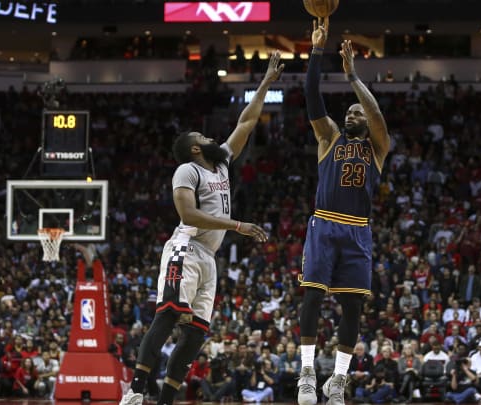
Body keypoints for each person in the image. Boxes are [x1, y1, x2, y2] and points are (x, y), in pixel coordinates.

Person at [119, 52, 284, 405]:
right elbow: (190, 216)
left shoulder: (222, 163)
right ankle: (134, 393)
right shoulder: (187, 170)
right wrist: (237, 224)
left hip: (209, 256)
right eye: (202, 135)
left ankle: (164, 400)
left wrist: (266, 82)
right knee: (167, 318)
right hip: (186, 247)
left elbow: (247, 122)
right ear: (195, 147)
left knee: (195, 336)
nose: (210, 136)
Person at [296, 17, 390, 405]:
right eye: (348, 113)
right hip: (324, 224)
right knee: (313, 297)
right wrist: (317, 49)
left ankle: (337, 379)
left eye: (357, 114)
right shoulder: (329, 137)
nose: (351, 116)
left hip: (358, 230)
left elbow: (379, 116)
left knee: (352, 306)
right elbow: (311, 96)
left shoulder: (379, 147)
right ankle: (306, 372)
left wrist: (354, 77)